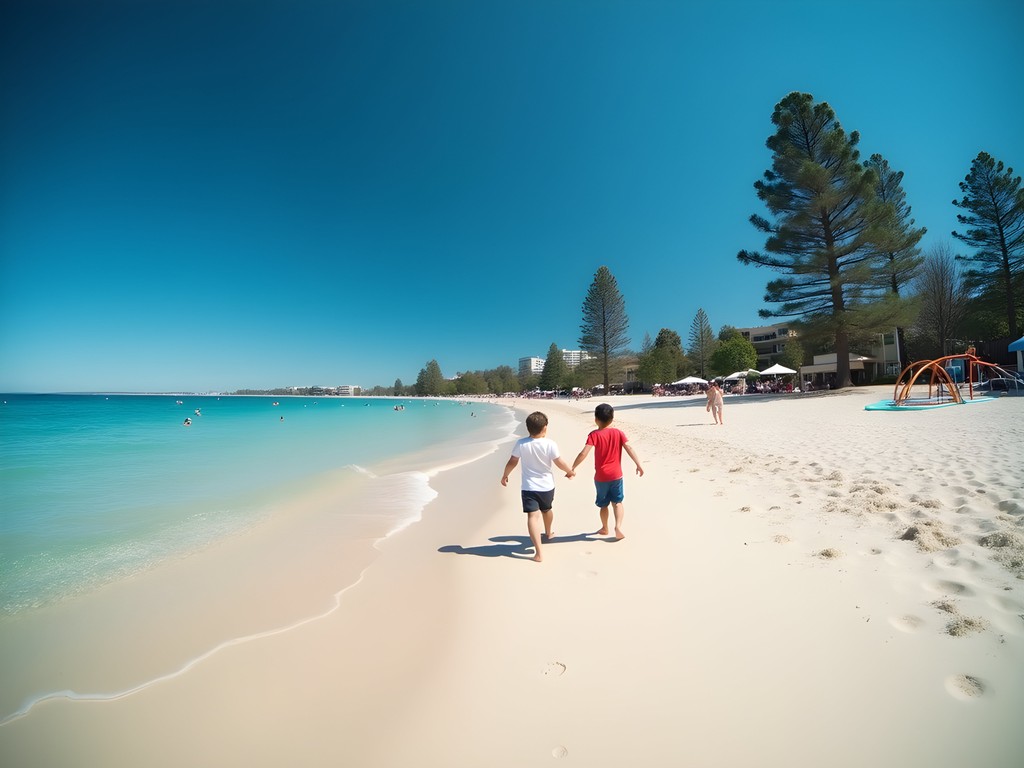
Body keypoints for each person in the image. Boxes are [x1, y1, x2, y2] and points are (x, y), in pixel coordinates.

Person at [500, 411, 574, 562]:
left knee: (532, 517)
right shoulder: (550, 444)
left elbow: (512, 461)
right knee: (547, 510)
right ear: (545, 428)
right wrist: (569, 471)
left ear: (528, 428)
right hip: (547, 486)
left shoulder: (521, 444)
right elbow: (559, 462)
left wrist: (505, 475)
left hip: (529, 487)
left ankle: (539, 552)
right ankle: (548, 532)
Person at [571, 403, 643, 540]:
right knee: (618, 502)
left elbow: (583, 453)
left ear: (596, 419)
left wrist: (573, 467)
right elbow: (629, 448)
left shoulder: (594, 435)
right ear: (612, 419)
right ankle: (618, 527)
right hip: (616, 475)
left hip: (601, 477)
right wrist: (638, 464)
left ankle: (605, 528)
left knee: (603, 505)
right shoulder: (618, 433)